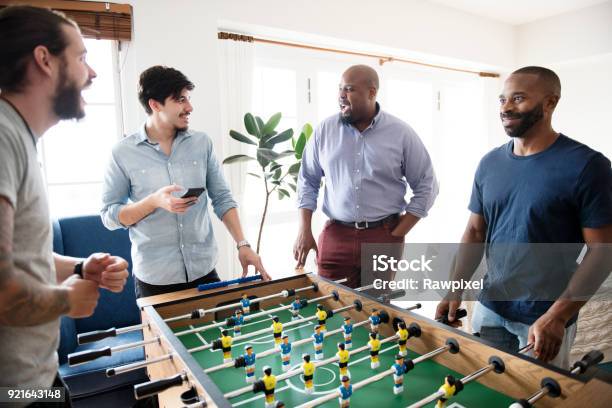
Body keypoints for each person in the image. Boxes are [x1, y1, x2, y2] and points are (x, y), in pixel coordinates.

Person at [436, 66, 612, 368]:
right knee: (487, 389)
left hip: (543, 318)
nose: (505, 107)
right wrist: (455, 287)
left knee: (539, 399)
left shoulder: (588, 166)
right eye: (502, 99)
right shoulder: (489, 163)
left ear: (550, 102)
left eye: (518, 98)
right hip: (490, 306)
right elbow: (475, 232)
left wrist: (558, 316)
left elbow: (603, 251)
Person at [0, 5, 129, 405]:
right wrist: (68, 300)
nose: (92, 73)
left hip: (38, 380)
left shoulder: (19, 138)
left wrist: (78, 266)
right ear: (44, 60)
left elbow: (24, 255)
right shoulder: (3, 136)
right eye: (82, 57)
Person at [100, 65, 269, 298]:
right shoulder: (122, 153)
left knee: (220, 336)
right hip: (155, 280)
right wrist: (153, 202)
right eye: (180, 100)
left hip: (204, 271)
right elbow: (109, 216)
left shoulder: (202, 143)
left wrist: (242, 243)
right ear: (155, 104)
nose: (189, 107)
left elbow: (222, 198)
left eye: (188, 99)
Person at [294, 64, 438, 287]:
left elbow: (427, 185)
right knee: (329, 308)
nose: (341, 95)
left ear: (372, 92)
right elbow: (307, 180)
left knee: (376, 312)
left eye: (349, 89)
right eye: (340, 89)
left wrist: (398, 232)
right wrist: (305, 230)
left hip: (383, 236)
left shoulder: (401, 133)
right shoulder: (324, 131)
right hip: (336, 236)